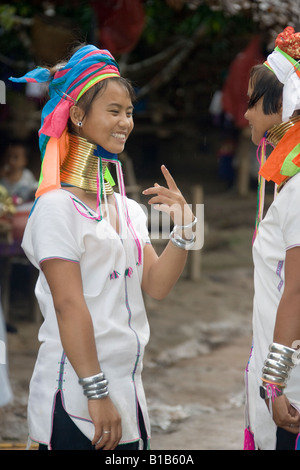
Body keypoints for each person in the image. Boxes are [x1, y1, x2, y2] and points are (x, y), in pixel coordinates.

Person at [9, 44, 197, 450]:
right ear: (78, 115)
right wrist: (95, 393)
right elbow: (68, 305)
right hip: (76, 397)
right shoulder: (56, 208)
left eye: (128, 112)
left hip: (128, 391)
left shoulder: (128, 208)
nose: (125, 122)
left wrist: (185, 228)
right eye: (113, 111)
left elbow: (157, 285)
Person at [243, 26, 300, 450]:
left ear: (279, 104)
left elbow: (296, 290)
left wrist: (276, 381)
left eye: (251, 102)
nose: (244, 113)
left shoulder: (298, 188)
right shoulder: (288, 183)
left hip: (291, 389)